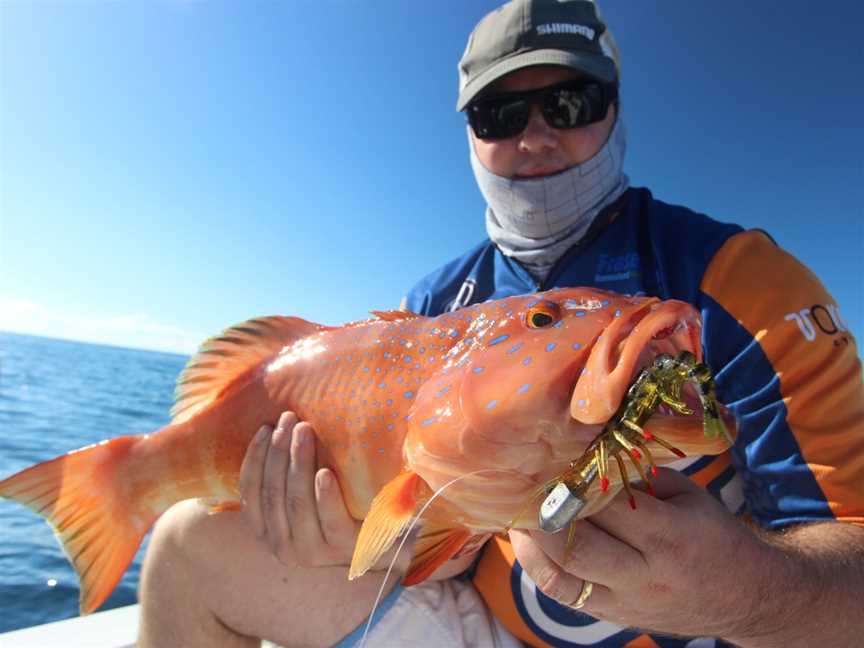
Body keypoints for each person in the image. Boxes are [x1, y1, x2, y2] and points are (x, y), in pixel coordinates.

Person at [137, 1, 864, 646]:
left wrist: (743, 595)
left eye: (571, 102)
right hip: (484, 630)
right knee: (185, 546)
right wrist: (354, 538)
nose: (537, 137)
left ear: (617, 109)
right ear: (471, 136)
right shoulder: (435, 301)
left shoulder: (737, 283)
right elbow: (425, 538)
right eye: (501, 115)